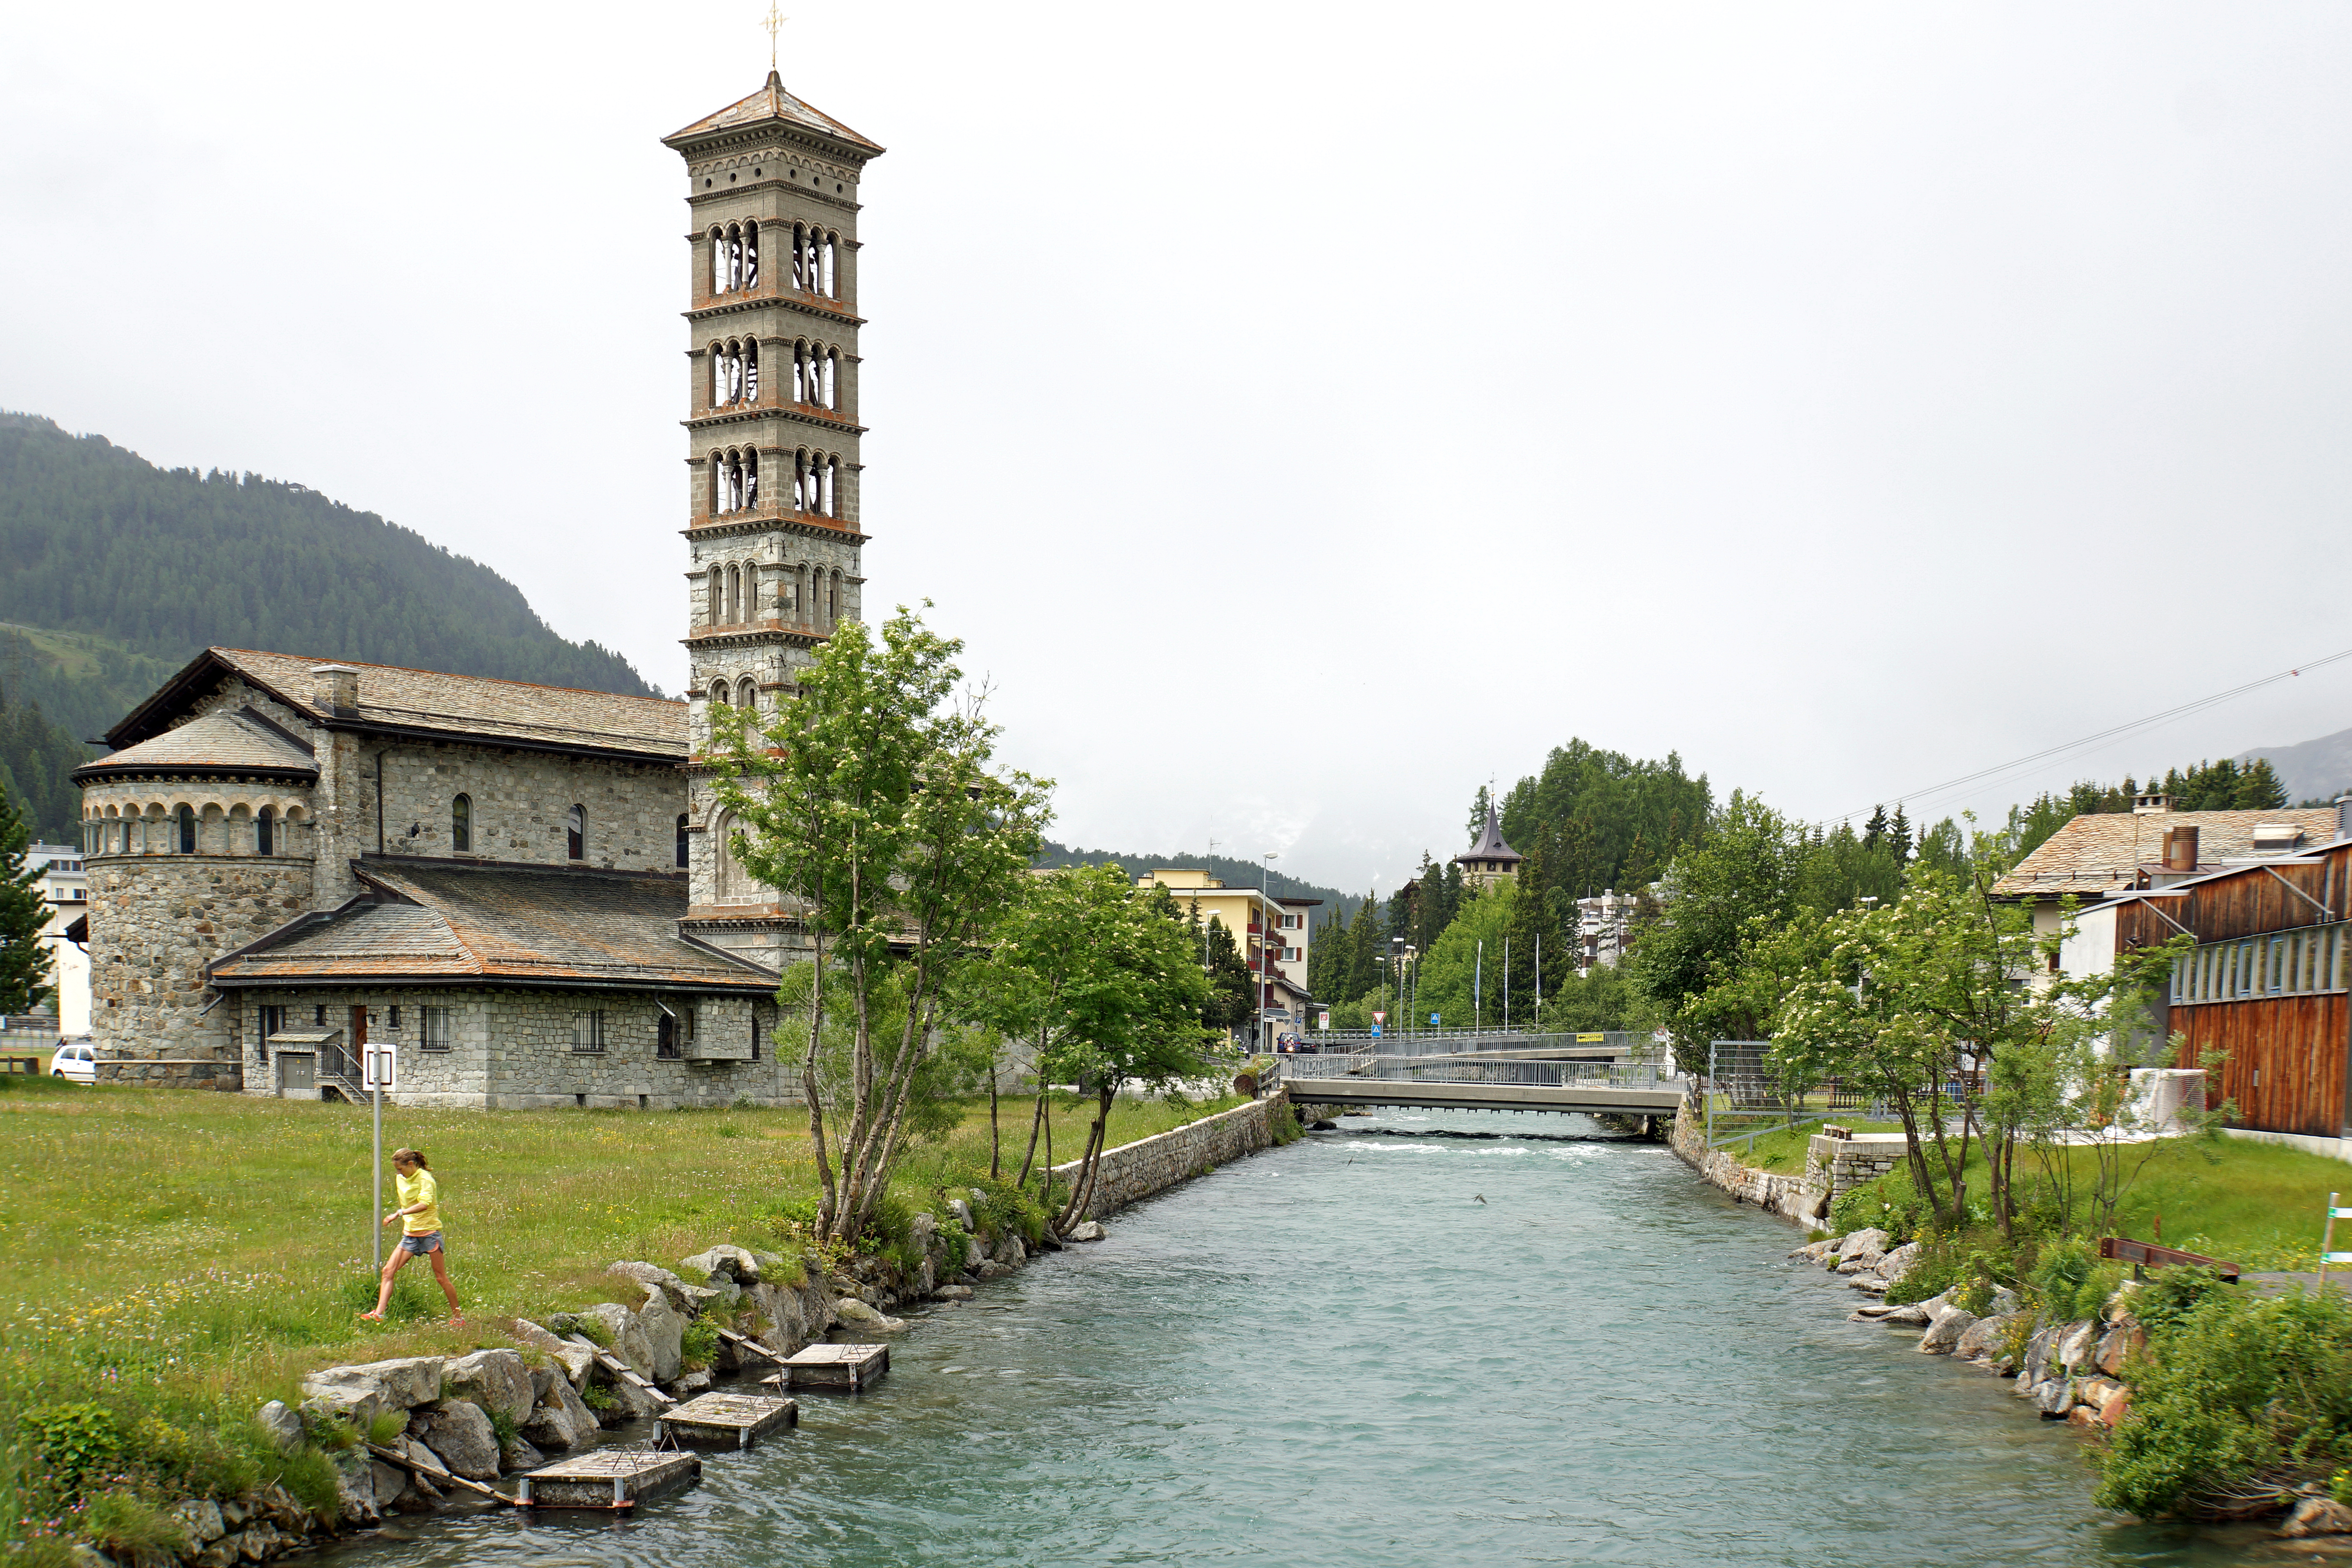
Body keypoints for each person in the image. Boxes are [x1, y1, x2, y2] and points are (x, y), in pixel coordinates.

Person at [361, 1147, 461, 1323]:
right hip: (410, 1236)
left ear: (411, 1164)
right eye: (396, 1170)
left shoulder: (425, 1179)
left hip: (430, 1235)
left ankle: (458, 1318)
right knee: (388, 1272)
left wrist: (399, 1214)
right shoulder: (400, 1179)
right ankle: (379, 1314)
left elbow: (424, 1204)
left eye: (400, 1169)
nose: (399, 1173)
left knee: (440, 1277)